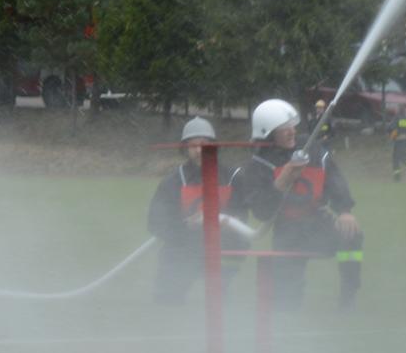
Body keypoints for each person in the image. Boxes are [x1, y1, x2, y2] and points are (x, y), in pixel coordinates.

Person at [235, 99, 364, 311]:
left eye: (292, 126)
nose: (291, 132)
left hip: (318, 223)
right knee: (286, 303)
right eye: (283, 128)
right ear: (268, 133)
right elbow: (262, 212)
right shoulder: (257, 166)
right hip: (288, 230)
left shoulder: (312, 149)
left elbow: (334, 178)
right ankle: (289, 303)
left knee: (352, 236)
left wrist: (344, 211)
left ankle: (349, 294)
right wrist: (281, 181)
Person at [145, 117, 248, 304]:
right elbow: (155, 223)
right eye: (194, 146)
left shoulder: (233, 178)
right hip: (183, 249)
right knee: (166, 301)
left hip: (222, 250)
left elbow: (241, 217)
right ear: (185, 148)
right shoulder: (173, 181)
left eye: (205, 145)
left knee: (221, 306)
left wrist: (227, 226)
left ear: (215, 146)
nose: (200, 150)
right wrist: (186, 226)